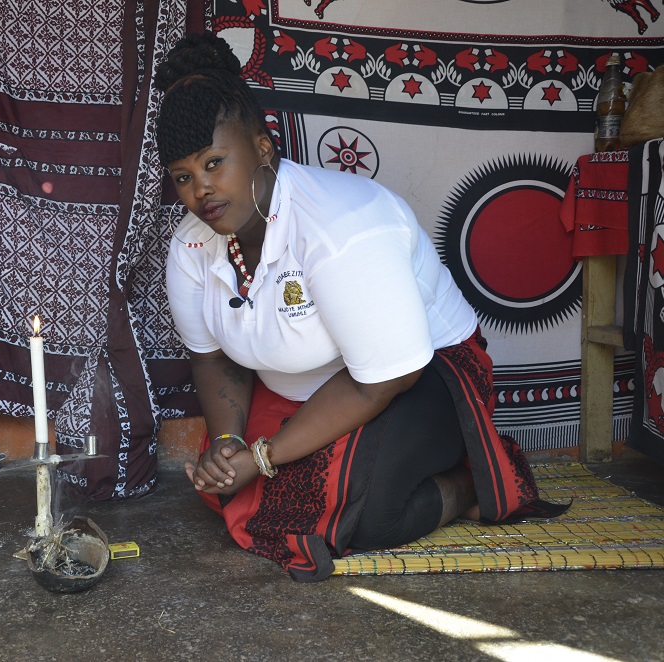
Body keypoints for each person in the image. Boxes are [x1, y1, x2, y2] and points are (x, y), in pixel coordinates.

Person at [154, 32, 567, 581]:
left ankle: (475, 479)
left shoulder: (341, 227)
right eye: (184, 176)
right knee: (228, 492)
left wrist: (262, 457)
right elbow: (212, 358)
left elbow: (382, 380)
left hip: (419, 379)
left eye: (214, 163)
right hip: (303, 394)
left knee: (355, 519)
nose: (201, 189)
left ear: (261, 146)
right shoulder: (190, 246)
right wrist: (231, 443)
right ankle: (352, 467)